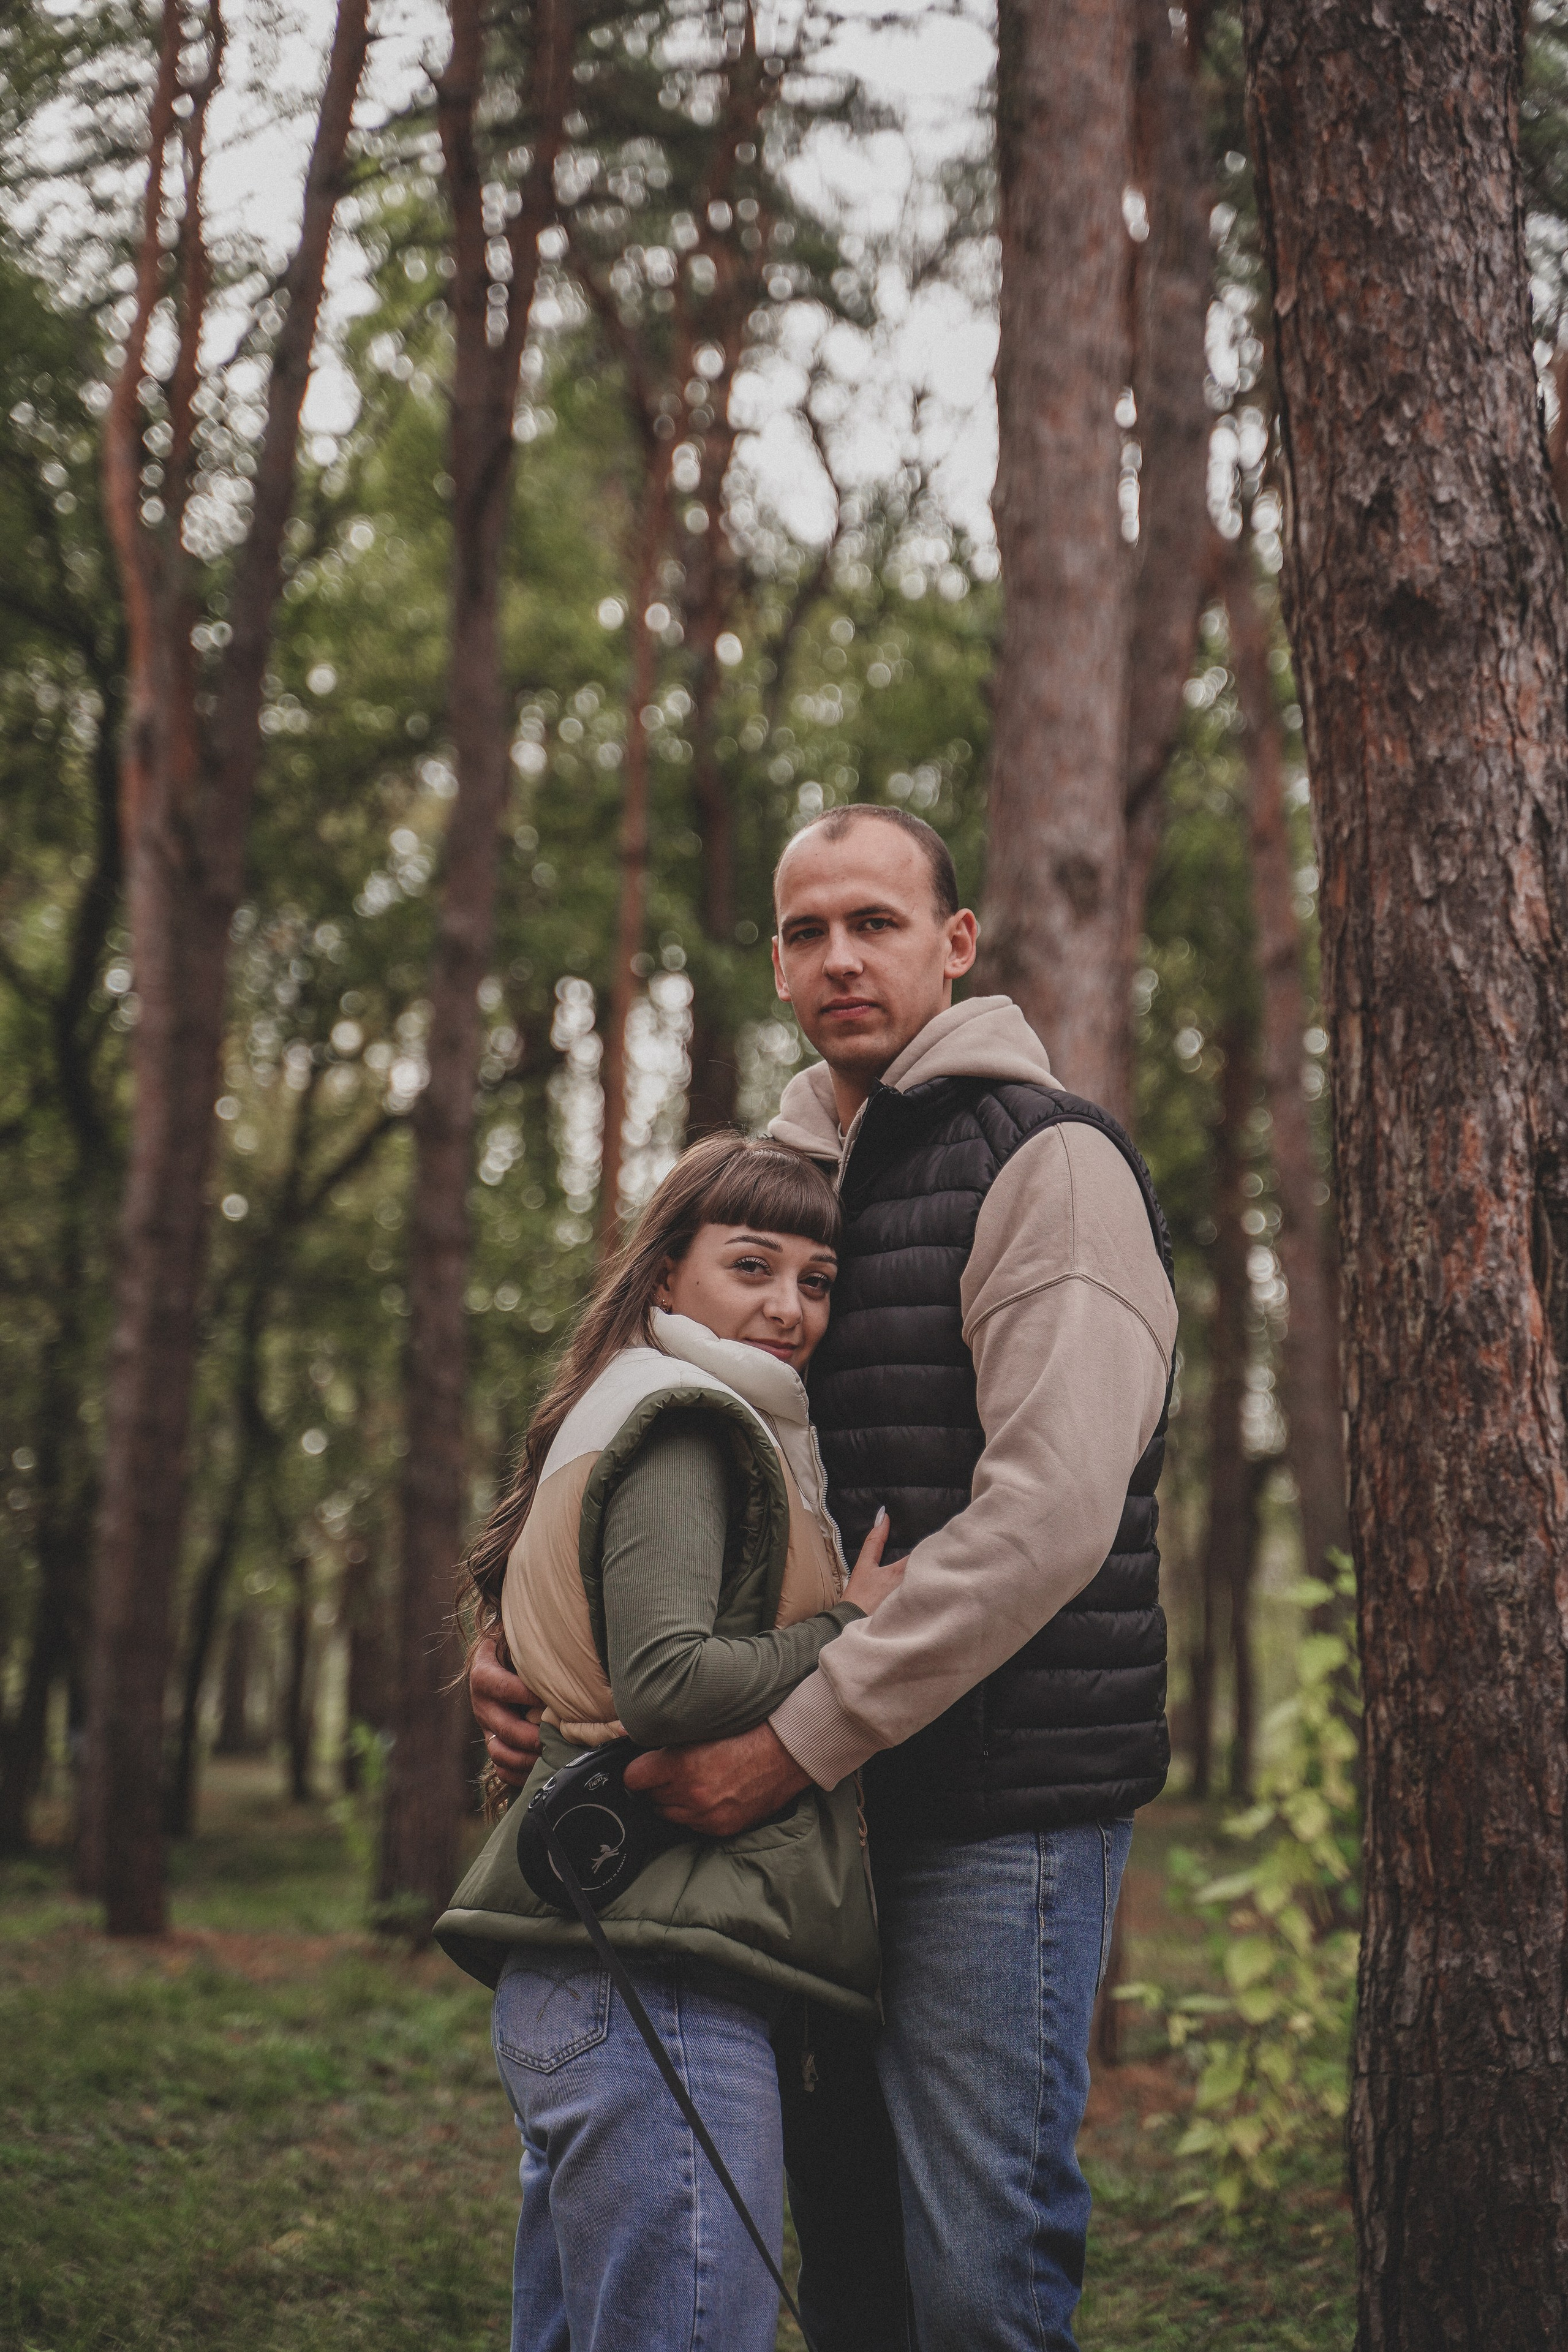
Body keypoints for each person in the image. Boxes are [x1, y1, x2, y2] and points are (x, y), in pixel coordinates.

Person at [472, 804, 1178, 2352]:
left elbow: (1052, 1511)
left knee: (975, 2270)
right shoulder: (772, 1186)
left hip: (992, 1808)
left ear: (955, 943)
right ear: (778, 962)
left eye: (875, 921)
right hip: (808, 1819)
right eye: (805, 930)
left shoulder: (1046, 1161)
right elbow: (638, 1430)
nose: (840, 956)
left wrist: (790, 1735)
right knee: (849, 2265)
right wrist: (526, 1651)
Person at [434, 1131, 907, 2352]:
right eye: (750, 1265)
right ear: (662, 1276)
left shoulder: (639, 1407)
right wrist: (850, 1625)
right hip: (653, 1980)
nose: (788, 1306)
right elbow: (666, 1684)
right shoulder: (689, 1423)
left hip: (596, 1973)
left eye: (816, 1279)